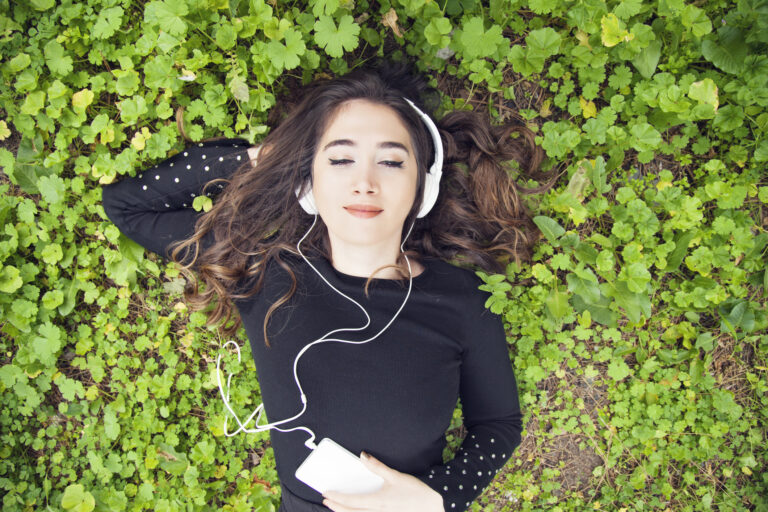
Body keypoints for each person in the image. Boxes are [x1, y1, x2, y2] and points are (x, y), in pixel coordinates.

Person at [101, 58, 556, 512]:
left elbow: (498, 423)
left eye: (391, 161)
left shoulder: (461, 299)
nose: (364, 182)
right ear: (308, 183)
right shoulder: (265, 275)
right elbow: (127, 207)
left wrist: (438, 499)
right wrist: (269, 155)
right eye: (339, 159)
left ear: (424, 185)